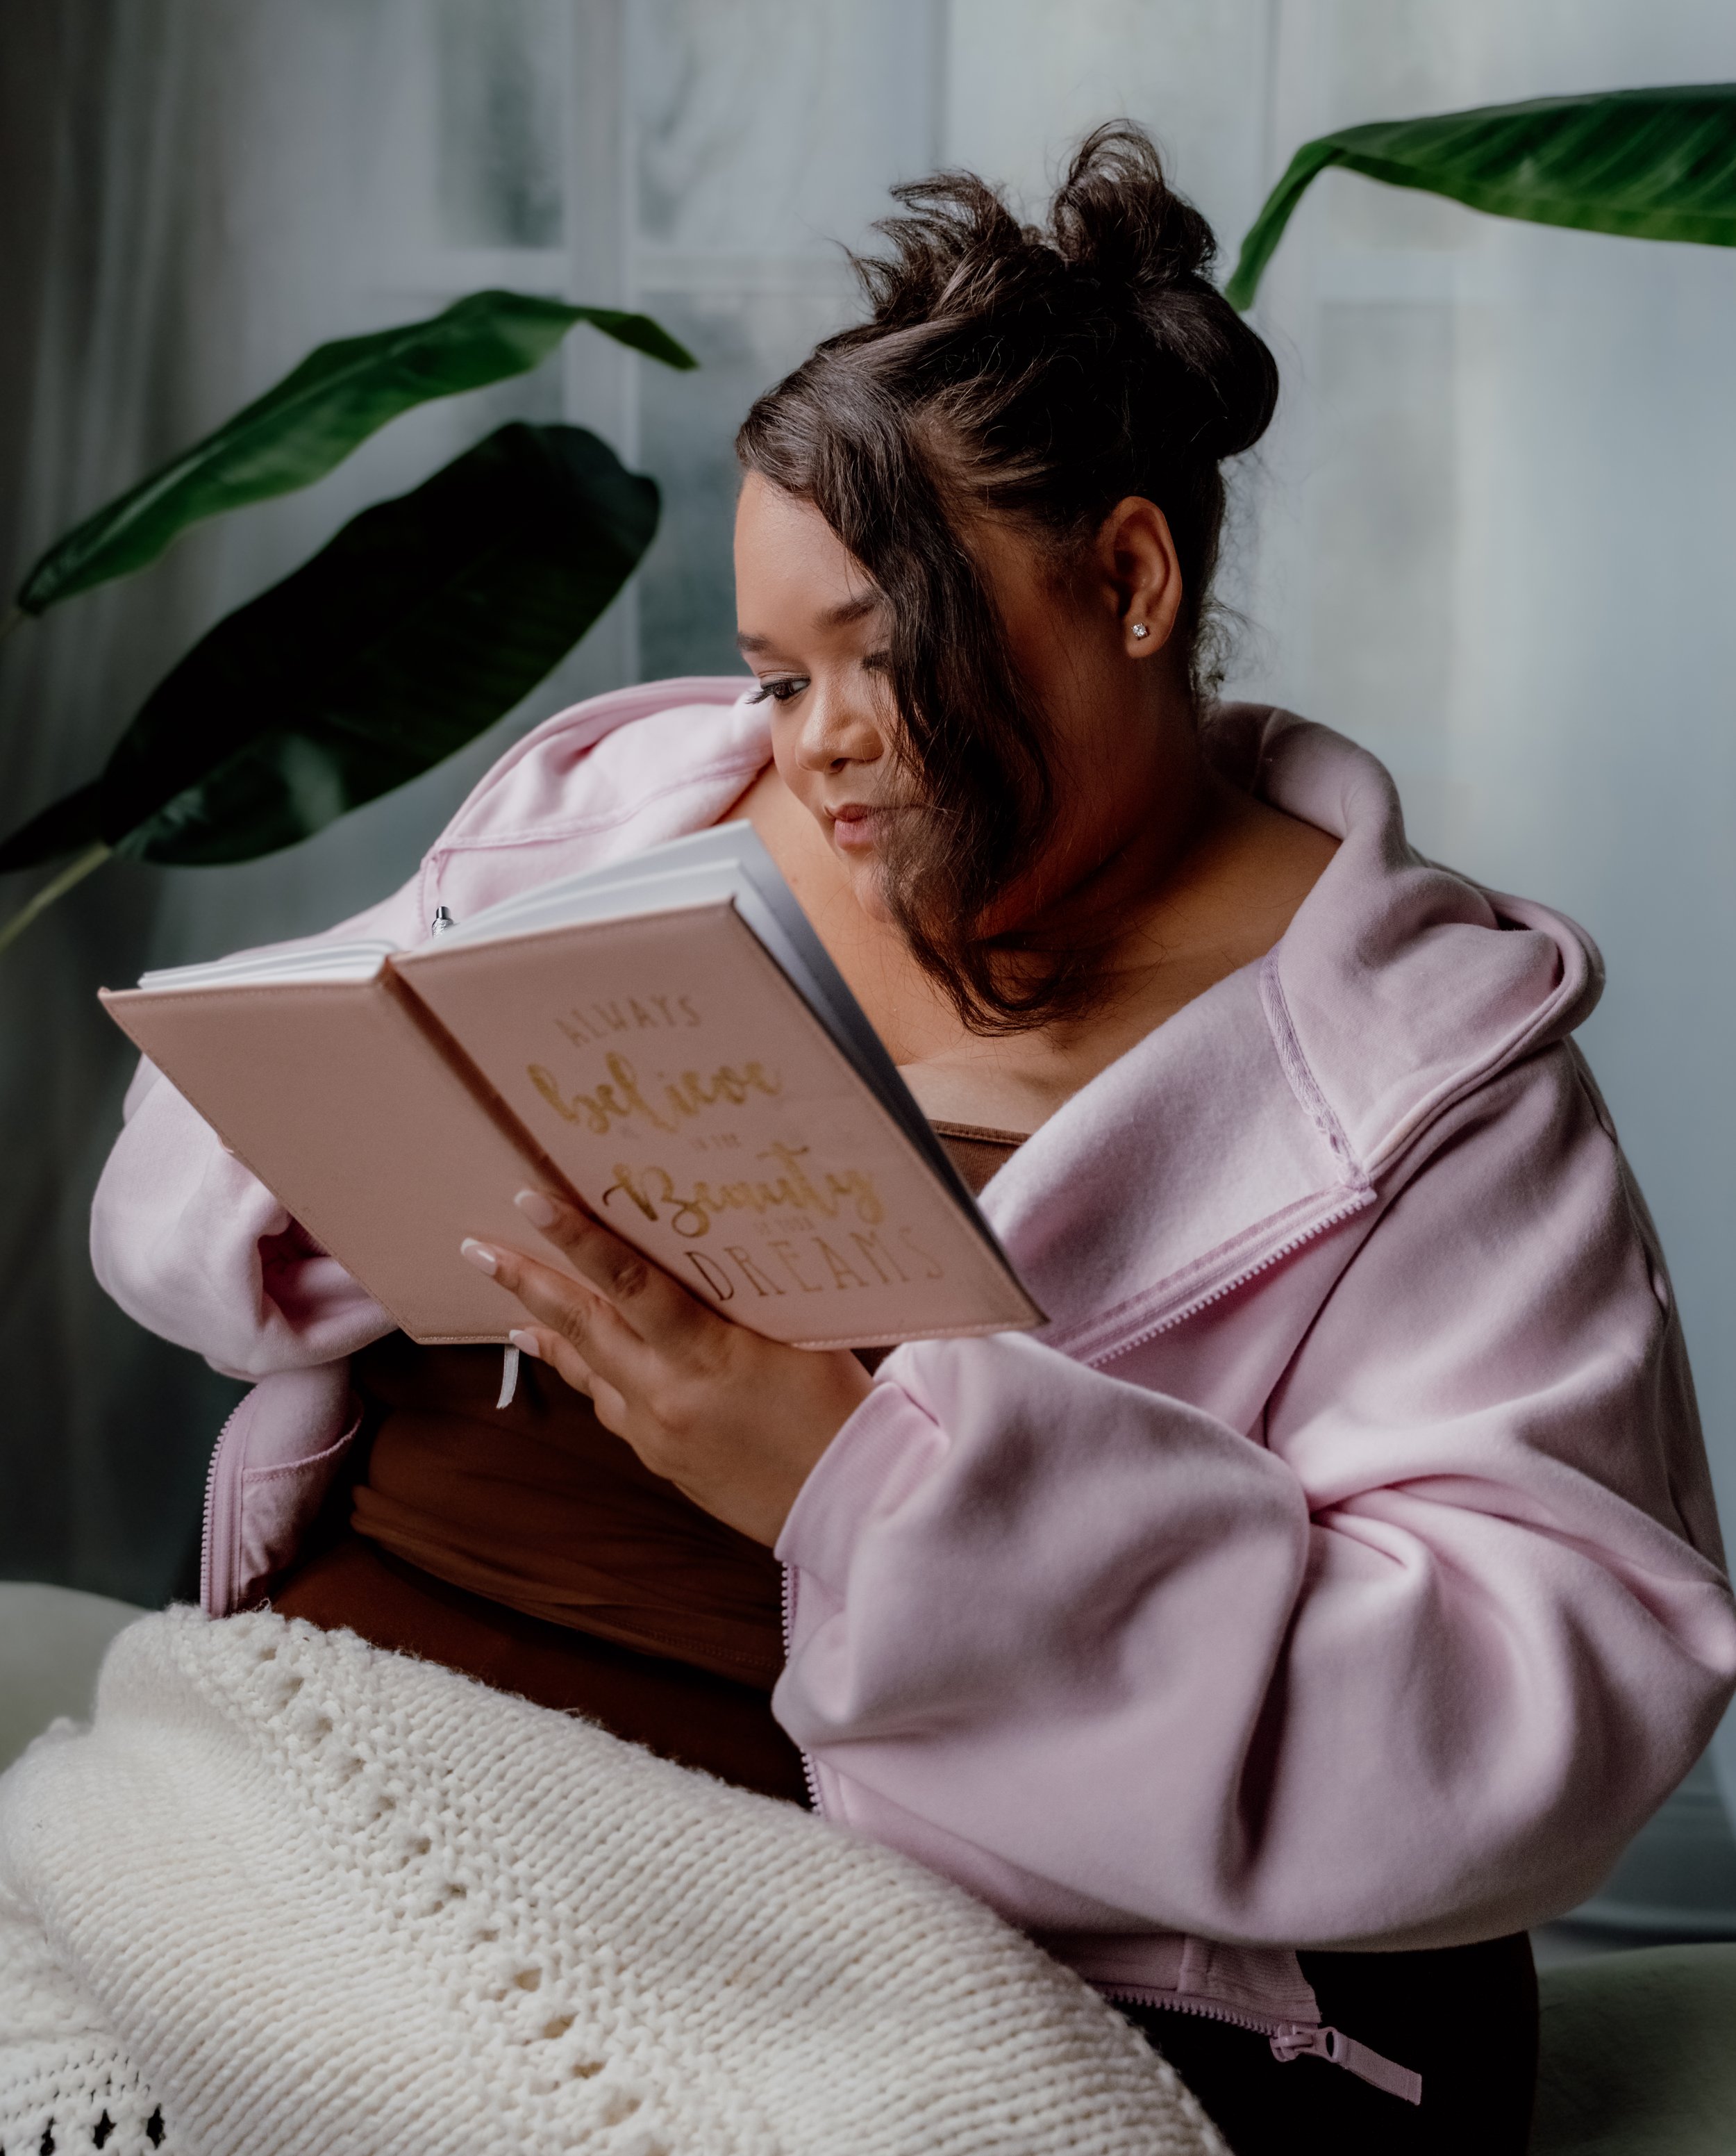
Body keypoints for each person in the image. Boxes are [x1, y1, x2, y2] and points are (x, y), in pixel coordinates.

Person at [93, 126, 1736, 2155]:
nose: (818, 743)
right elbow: (192, 1185)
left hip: (917, 1950)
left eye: (883, 650)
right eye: (780, 672)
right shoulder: (635, 806)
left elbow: (1536, 1710)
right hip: (335, 1743)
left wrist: (858, 1484)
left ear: (1128, 581)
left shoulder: (1425, 1085)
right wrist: (386, 1184)